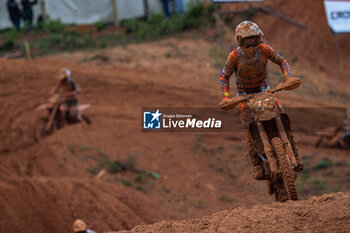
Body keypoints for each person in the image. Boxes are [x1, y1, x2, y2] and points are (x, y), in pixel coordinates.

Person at [218, 21, 302, 179]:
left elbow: (282, 61)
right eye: (246, 41)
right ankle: (257, 164)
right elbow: (224, 75)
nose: (250, 45)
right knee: (247, 127)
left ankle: (295, 155)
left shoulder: (264, 50)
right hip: (244, 95)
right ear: (239, 41)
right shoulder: (234, 56)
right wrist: (227, 97)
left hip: (265, 91)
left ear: (259, 39)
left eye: (253, 40)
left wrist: (287, 78)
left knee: (282, 116)